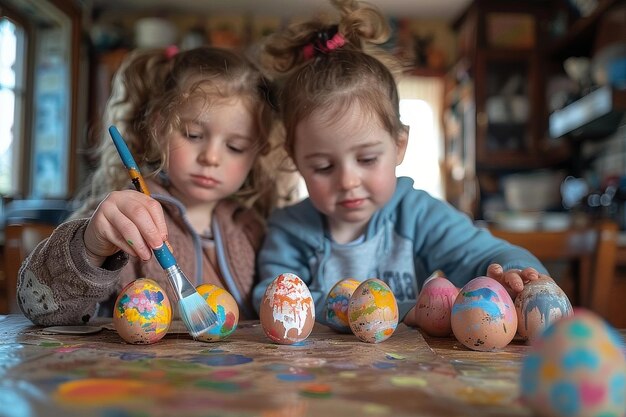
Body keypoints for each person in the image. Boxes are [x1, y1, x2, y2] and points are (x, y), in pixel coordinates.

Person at [253, 0, 557, 325]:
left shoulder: (417, 214)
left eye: (367, 159)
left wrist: (515, 273)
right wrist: (403, 310)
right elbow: (271, 299)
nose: (348, 181)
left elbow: (485, 254)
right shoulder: (289, 230)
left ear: (399, 146)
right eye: (323, 167)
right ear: (296, 159)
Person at [18, 45, 279, 325]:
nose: (211, 157)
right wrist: (92, 247)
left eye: (235, 146)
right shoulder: (119, 218)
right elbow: (39, 307)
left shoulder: (252, 229)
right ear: (158, 127)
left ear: (257, 153)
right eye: (193, 134)